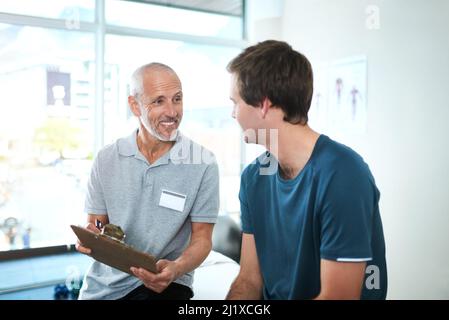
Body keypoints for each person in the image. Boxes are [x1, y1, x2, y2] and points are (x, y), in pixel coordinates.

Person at [225, 40, 387, 300]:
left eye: (236, 102)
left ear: (264, 104)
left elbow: (338, 297)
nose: (233, 113)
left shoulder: (344, 175)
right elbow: (249, 280)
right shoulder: (253, 179)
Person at [76, 63, 219, 300]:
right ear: (135, 105)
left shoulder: (203, 163)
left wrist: (177, 268)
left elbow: (202, 240)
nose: (172, 112)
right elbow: (98, 224)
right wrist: (93, 236)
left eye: (177, 99)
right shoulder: (106, 159)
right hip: (103, 285)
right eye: (159, 101)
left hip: (166, 282)